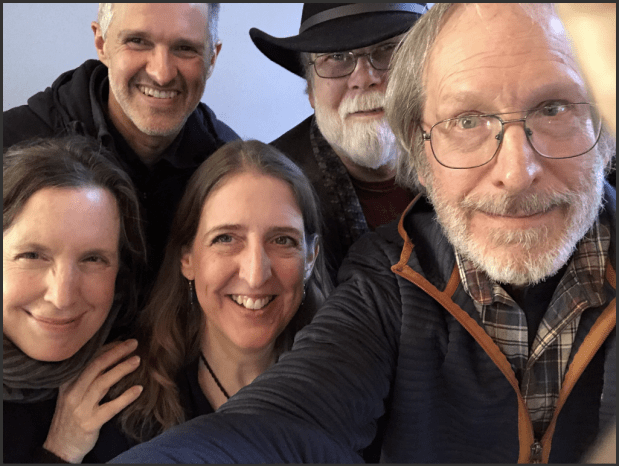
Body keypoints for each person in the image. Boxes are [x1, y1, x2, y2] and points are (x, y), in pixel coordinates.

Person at [111, 3, 616, 464]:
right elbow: (287, 416)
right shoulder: (373, 265)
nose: (516, 171)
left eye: (554, 108)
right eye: (468, 120)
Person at [3, 3, 239, 295]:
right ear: (101, 43)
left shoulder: (231, 172)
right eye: (138, 41)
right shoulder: (10, 144)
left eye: (185, 48)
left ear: (212, 59)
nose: (162, 73)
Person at [110, 140, 330, 444]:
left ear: (310, 258)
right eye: (226, 238)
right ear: (187, 258)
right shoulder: (124, 407)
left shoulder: (349, 395)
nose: (255, 276)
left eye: (282, 240)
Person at [250, 3, 426, 282]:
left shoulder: (480, 160)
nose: (364, 79)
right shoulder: (267, 191)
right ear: (310, 89)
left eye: (388, 49)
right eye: (337, 56)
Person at [3, 136, 147, 463]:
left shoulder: (133, 385)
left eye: (93, 259)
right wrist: (61, 451)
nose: (62, 297)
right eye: (32, 255)